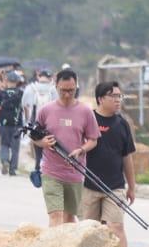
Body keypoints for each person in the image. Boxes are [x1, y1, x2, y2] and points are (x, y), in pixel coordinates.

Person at [31, 69, 100, 225]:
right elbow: (34, 138)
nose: (67, 95)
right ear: (56, 86)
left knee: (69, 218)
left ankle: (68, 241)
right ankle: (54, 242)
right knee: (55, 215)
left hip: (75, 173)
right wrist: (43, 143)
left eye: (71, 90)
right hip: (51, 172)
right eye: (63, 90)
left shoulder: (85, 111)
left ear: (76, 87)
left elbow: (93, 140)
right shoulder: (45, 111)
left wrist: (81, 150)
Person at [82, 81, 137, 247]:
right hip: (88, 186)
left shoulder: (122, 124)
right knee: (89, 231)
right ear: (100, 99)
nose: (118, 100)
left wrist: (132, 187)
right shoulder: (87, 120)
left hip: (115, 187)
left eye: (119, 96)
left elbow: (127, 157)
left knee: (116, 227)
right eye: (113, 96)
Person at [22, 69, 59, 185]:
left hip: (36, 124)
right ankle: (51, 173)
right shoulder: (53, 89)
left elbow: (25, 105)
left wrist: (28, 122)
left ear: (39, 77)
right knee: (52, 149)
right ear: (50, 78)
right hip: (51, 124)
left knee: (38, 149)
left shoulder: (30, 88)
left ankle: (39, 171)